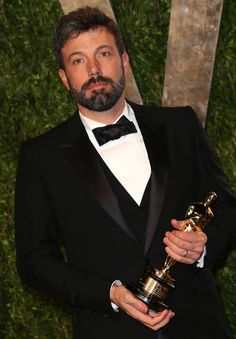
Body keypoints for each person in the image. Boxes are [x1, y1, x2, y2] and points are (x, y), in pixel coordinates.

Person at [15, 6, 236, 339]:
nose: (93, 69)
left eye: (103, 54)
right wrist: (109, 292)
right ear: (64, 77)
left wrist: (203, 247)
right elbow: (34, 261)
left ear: (124, 60)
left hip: (199, 327)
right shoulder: (41, 157)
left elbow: (227, 209)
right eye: (78, 60)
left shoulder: (181, 126)